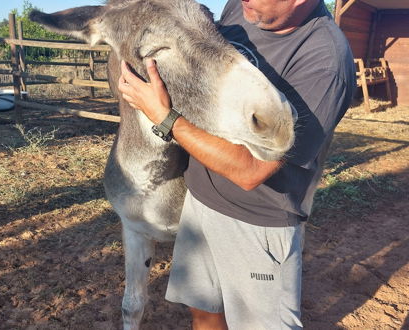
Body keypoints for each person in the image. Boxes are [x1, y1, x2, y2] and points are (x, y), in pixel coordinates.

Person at [118, 0, 356, 328]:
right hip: (200, 201)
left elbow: (251, 172)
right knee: (203, 310)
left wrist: (164, 117)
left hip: (256, 223)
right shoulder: (242, 9)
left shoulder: (324, 59)